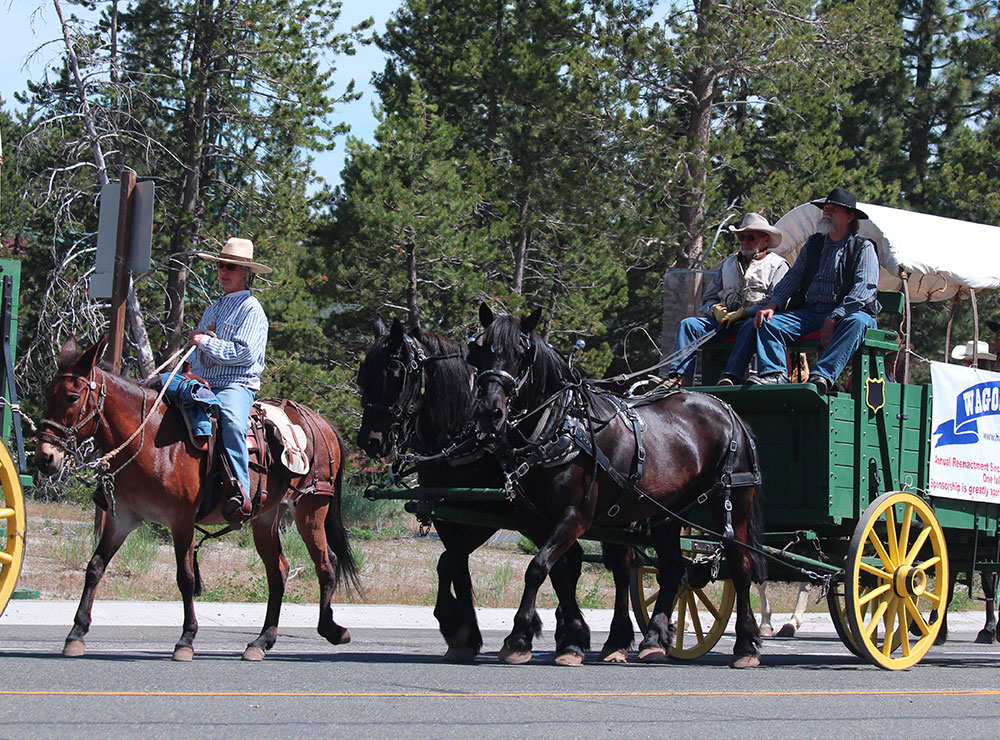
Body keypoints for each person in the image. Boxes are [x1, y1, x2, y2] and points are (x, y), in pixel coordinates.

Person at [718, 188, 879, 395]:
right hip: (812, 312)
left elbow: (864, 288)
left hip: (847, 313)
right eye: (825, 209)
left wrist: (836, 315)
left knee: (857, 322)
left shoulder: (863, 247)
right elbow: (793, 278)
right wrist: (772, 305)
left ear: (849, 217)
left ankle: (823, 376)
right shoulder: (814, 243)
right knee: (767, 321)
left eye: (832, 209)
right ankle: (774, 373)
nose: (826, 213)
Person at [188, 237, 271, 522]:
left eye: (231, 267)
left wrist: (205, 343)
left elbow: (244, 354)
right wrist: (196, 354)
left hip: (236, 384)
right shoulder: (212, 309)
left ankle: (240, 490)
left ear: (247, 273)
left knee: (232, 422)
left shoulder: (252, 310)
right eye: (222, 266)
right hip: (203, 381)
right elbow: (199, 355)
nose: (224, 272)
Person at [662, 213, 789, 388]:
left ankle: (731, 375)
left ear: (765, 240)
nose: (744, 242)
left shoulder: (778, 265)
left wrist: (744, 313)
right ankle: (680, 377)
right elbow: (708, 299)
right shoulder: (728, 264)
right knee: (689, 324)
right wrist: (715, 310)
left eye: (750, 238)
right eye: (741, 238)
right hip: (722, 324)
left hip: (752, 324)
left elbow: (776, 300)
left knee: (749, 325)